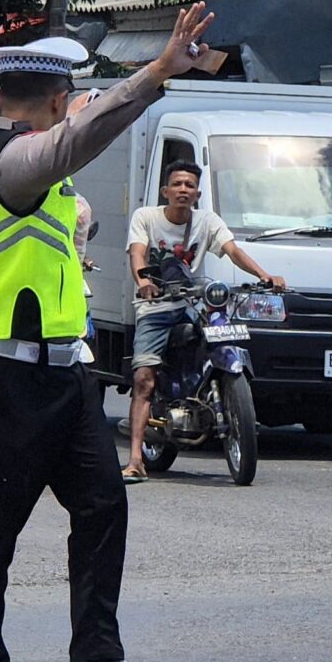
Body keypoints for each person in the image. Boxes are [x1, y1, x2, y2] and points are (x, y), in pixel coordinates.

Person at [0, 8, 213, 662]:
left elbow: (68, 187)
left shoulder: (40, 180)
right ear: (57, 101)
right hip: (5, 377)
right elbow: (80, 139)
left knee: (104, 503)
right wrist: (156, 72)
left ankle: (97, 660)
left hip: (65, 374)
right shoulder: (7, 161)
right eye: (72, 100)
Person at [122, 161, 284, 482]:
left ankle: (208, 392)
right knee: (144, 378)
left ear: (197, 193)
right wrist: (144, 283)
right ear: (165, 191)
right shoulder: (146, 218)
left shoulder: (206, 221)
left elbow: (233, 250)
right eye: (177, 184)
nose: (183, 190)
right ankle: (136, 458)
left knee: (220, 332)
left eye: (190, 186)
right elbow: (137, 253)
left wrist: (265, 276)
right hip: (155, 306)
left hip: (191, 303)